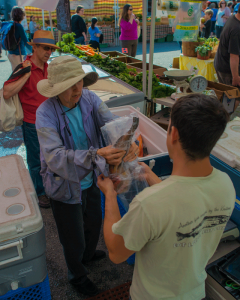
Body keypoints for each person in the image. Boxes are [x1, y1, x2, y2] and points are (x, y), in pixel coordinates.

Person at [98, 93, 236, 300]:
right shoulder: (225, 184)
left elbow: (117, 252)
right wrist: (155, 179)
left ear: (173, 135)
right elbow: (185, 205)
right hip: (193, 292)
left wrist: (109, 195)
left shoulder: (149, 203)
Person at [35, 55, 139, 297]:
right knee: (72, 237)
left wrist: (127, 141)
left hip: (92, 179)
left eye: (79, 82)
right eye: (68, 86)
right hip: (64, 186)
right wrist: (95, 155)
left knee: (92, 222)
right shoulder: (45, 113)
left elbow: (111, 122)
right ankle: (77, 275)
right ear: (55, 90)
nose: (75, 90)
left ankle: (89, 255)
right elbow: (54, 157)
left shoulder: (90, 98)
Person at [3, 30, 60, 208]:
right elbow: (6, 92)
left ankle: (51, 187)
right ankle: (41, 192)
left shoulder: (49, 68)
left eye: (51, 49)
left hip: (50, 122)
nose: (48, 52)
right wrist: (25, 76)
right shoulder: (24, 67)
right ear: (34, 47)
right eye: (45, 48)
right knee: (36, 160)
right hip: (31, 123)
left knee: (51, 157)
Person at [214, 5, 240, 114]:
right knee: (232, 98)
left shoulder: (233, 18)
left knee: (228, 97)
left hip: (222, 64)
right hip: (227, 69)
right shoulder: (236, 29)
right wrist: (235, 76)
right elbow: (233, 56)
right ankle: (224, 122)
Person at [7, 6, 32, 71]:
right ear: (21, 15)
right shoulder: (19, 26)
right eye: (23, 15)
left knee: (15, 73)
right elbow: (26, 41)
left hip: (10, 53)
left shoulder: (10, 24)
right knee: (20, 75)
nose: (24, 17)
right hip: (18, 54)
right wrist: (34, 51)